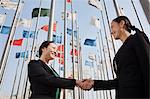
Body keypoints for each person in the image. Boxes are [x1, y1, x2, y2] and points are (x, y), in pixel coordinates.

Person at [79, 16, 150, 98]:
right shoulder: (119, 54)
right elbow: (119, 82)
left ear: (122, 24)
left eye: (112, 27)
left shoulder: (137, 38)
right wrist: (94, 83)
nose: (111, 32)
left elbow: (147, 65)